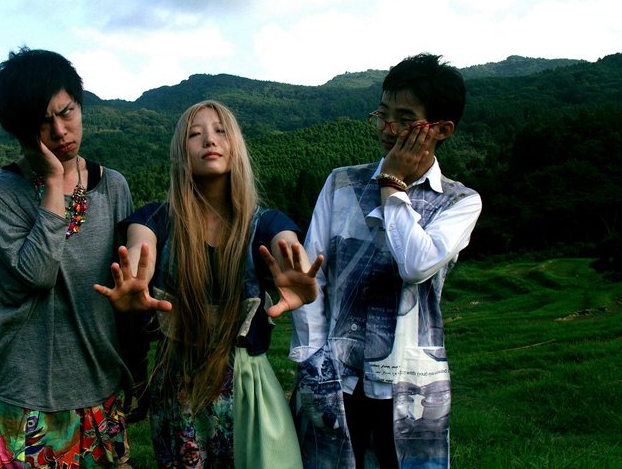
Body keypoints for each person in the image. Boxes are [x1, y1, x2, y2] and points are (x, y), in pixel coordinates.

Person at [94, 100, 324, 468]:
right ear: (180, 152)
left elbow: (286, 244)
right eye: (194, 134)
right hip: (178, 393)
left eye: (220, 131)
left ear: (236, 145)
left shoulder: (265, 223)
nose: (209, 140)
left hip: (248, 386)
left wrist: (293, 268)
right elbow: (140, 247)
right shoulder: (155, 219)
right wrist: (137, 276)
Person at [289, 53, 482, 468]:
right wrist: (313, 358)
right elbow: (311, 277)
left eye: (404, 119)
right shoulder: (341, 183)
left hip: (412, 383)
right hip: (336, 376)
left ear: (442, 129)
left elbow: (416, 264)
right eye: (382, 114)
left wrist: (392, 185)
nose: (386, 128)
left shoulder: (460, 202)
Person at [0, 47, 134, 468]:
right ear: (20, 130)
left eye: (67, 112)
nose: (61, 131)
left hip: (101, 385)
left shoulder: (113, 187)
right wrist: (53, 181)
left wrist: (135, 367)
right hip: (29, 395)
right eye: (43, 122)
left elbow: (127, 287)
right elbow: (39, 274)